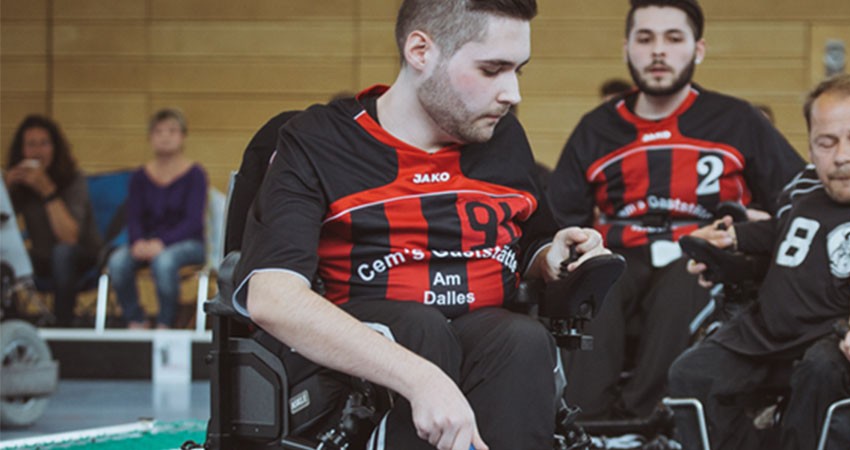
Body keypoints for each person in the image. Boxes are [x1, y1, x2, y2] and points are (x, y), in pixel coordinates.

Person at [233, 1, 610, 449]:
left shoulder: (502, 139)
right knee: (419, 329)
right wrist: (420, 377)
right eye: (492, 70)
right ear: (420, 51)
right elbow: (271, 297)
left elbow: (528, 241)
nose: (513, 94)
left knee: (522, 339)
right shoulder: (318, 139)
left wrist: (552, 254)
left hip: (477, 345)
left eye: (518, 71)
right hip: (353, 371)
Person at [549, 0, 805, 421]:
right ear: (627, 48)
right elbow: (562, 219)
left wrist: (754, 225)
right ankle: (587, 421)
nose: (658, 52)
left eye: (673, 38)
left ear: (698, 49)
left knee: (683, 282)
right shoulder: (595, 128)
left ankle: (646, 420)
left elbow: (798, 196)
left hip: (700, 254)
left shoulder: (736, 119)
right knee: (597, 277)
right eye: (645, 38)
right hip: (622, 256)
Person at [669, 72, 850, 450]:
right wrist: (730, 239)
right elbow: (784, 231)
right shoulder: (804, 184)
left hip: (839, 334)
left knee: (821, 370)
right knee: (692, 374)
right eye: (826, 143)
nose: (842, 156)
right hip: (768, 330)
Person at [106, 108, 208, 329]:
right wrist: (137, 242)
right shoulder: (140, 177)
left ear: (182, 136)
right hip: (146, 242)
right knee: (117, 261)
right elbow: (132, 216)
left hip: (187, 243)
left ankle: (166, 322)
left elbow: (193, 221)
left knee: (164, 262)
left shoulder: (195, 174)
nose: (165, 136)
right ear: (150, 137)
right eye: (159, 131)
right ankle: (136, 320)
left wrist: (161, 243)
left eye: (172, 130)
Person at [4, 115, 100, 327]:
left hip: (81, 257)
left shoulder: (74, 180)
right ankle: (11, 324)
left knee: (62, 254)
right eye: (31, 145)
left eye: (44, 144)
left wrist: (47, 191)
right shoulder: (20, 185)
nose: (37, 152)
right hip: (41, 258)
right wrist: (5, 190)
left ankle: (63, 326)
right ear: (22, 151)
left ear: (55, 148)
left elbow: (69, 237)